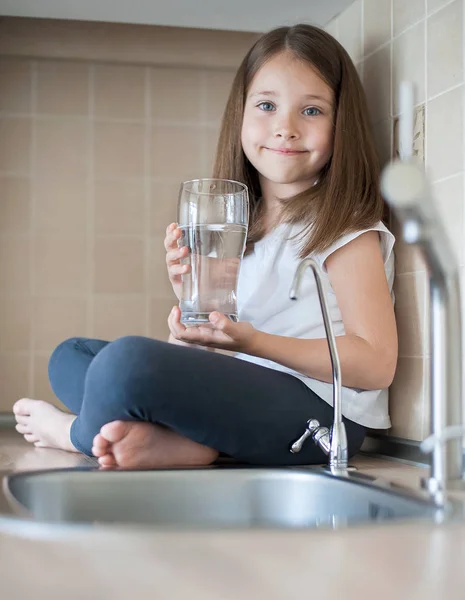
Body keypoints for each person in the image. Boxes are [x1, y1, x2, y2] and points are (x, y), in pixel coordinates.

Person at [13, 24, 398, 469]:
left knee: (124, 366)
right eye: (267, 106)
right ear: (240, 114)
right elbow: (223, 354)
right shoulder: (243, 229)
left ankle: (76, 434)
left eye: (311, 111)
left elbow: (375, 364)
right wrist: (193, 313)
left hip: (320, 419)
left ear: (340, 124)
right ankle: (190, 442)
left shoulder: (345, 227)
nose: (285, 129)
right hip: (247, 399)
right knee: (73, 356)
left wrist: (252, 342)